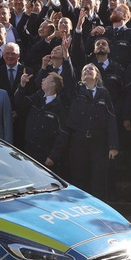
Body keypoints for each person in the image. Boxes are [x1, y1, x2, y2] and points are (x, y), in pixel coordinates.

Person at [63, 64, 119, 199]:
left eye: (90, 69)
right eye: (84, 70)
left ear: (97, 75)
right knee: (80, 177)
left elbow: (111, 119)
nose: (87, 71)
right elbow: (68, 77)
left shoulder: (104, 93)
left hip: (99, 142)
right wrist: (66, 58)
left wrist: (113, 146)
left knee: (99, 179)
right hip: (79, 141)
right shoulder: (76, 90)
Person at [13, 71, 68, 167]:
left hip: (45, 154)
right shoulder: (37, 98)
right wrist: (22, 85)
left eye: (46, 79)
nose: (42, 80)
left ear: (52, 84)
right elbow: (19, 103)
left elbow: (63, 134)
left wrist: (53, 156)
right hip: (28, 150)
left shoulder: (60, 107)